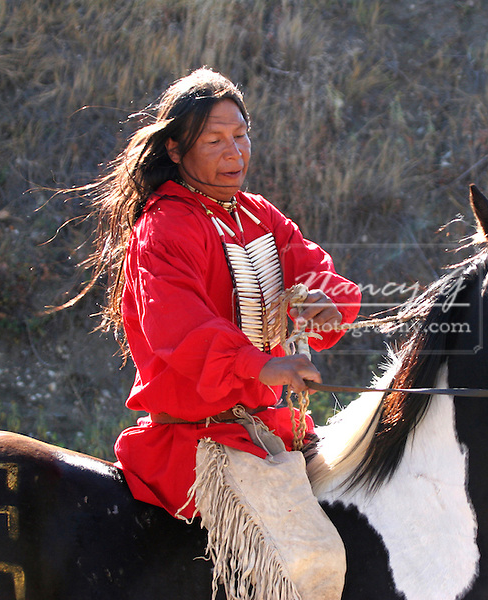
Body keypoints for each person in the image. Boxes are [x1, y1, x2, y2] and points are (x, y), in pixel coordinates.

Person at [69, 67, 360, 599]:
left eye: (242, 135)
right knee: (304, 562)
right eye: (215, 140)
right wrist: (264, 365)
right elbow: (179, 328)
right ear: (177, 151)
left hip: (273, 430)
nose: (235, 153)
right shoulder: (164, 226)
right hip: (198, 442)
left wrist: (326, 303)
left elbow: (312, 269)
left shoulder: (258, 214)